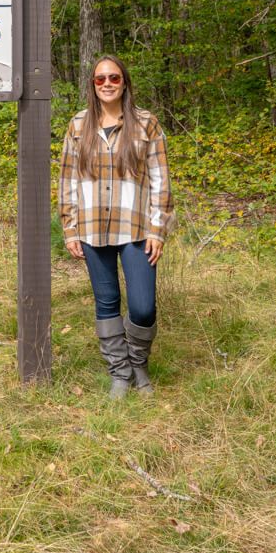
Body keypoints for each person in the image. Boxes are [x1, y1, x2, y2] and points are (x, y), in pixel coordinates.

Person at [58, 54, 173, 398]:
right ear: (92, 86)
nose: (107, 84)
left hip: (136, 228)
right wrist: (70, 227)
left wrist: (158, 228)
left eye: (114, 78)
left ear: (124, 83)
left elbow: (160, 179)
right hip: (92, 229)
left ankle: (139, 363)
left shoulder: (146, 123)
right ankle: (120, 374)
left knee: (142, 306)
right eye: (100, 79)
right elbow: (68, 179)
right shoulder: (78, 125)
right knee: (106, 301)